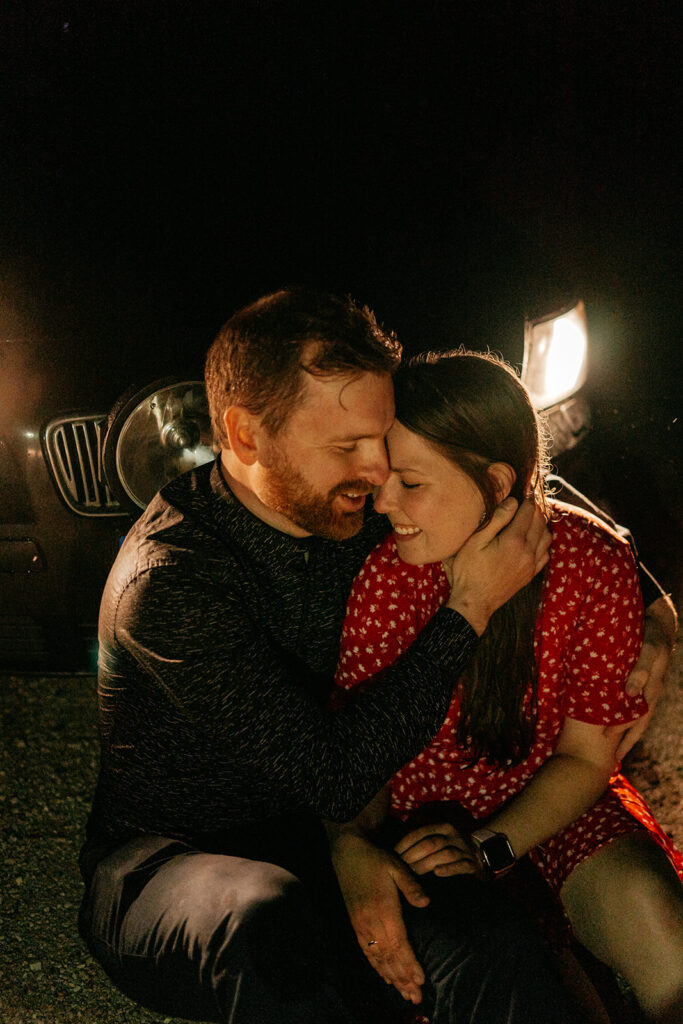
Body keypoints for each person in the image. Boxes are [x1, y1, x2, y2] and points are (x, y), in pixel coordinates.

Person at [78, 287, 589, 1024]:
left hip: (330, 839)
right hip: (171, 866)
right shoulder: (171, 583)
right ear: (245, 436)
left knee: (492, 943)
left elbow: (505, 497)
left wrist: (654, 609)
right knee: (267, 925)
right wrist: (468, 610)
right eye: (345, 446)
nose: (378, 470)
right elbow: (335, 774)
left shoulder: (353, 503)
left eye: (379, 437)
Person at [330, 349, 683, 1024]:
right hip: (418, 829)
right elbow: (358, 752)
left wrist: (491, 846)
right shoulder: (387, 579)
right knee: (523, 982)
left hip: (550, 803)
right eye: (381, 479)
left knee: (655, 916)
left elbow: (585, 759)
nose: (382, 503)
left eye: (409, 482)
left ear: (495, 484)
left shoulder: (591, 565)